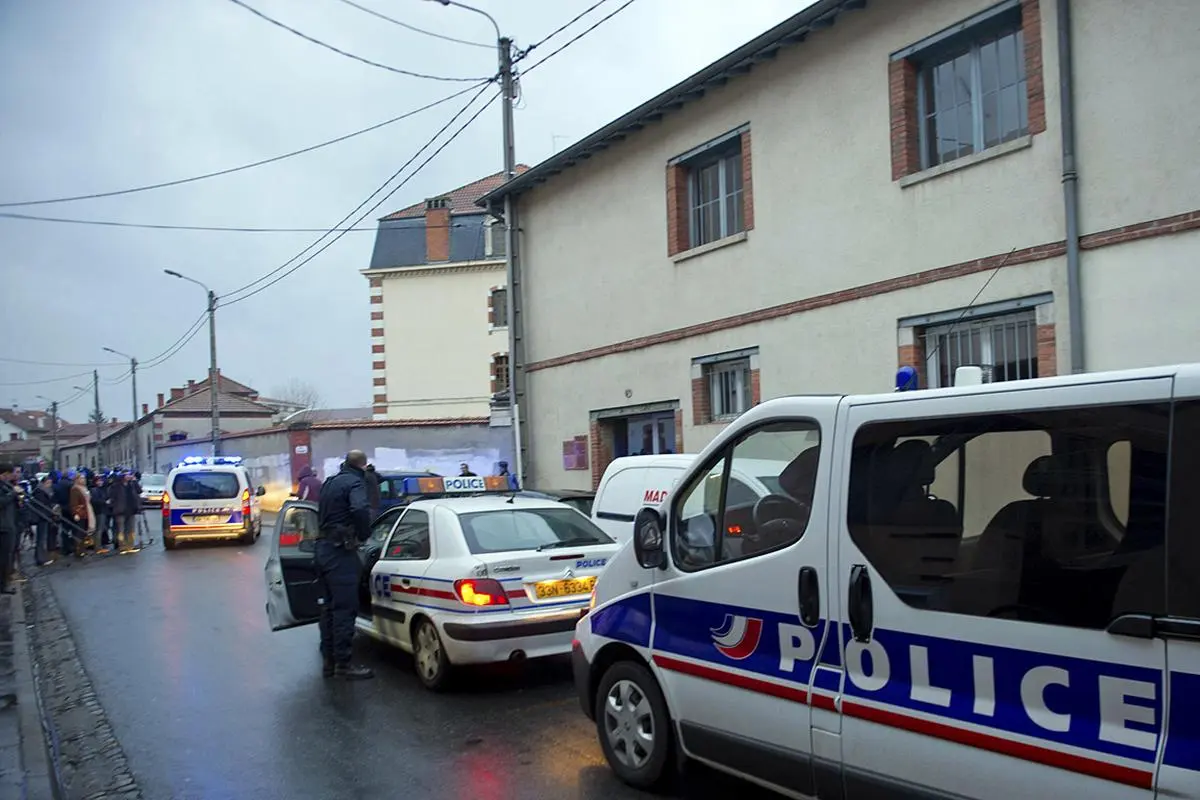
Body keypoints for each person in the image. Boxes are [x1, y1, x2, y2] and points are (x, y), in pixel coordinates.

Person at [315, 450, 374, 680]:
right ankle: (344, 664)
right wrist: (364, 533)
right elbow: (359, 509)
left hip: (322, 549)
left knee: (328, 608)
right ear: (363, 465)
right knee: (344, 609)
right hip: (341, 552)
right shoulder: (355, 483)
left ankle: (329, 662)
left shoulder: (331, 482)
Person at [109, 471, 139, 553]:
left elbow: (139, 491)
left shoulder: (131, 485)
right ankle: (122, 546)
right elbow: (112, 497)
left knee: (131, 529)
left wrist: (135, 481)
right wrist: (114, 507)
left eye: (130, 475)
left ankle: (130, 546)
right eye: (127, 475)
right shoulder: (116, 486)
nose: (129, 476)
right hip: (120, 510)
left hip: (131, 510)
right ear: (123, 476)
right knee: (121, 530)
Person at [0, 464, 19, 594]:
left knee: (7, 556)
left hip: (9, 524)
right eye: (9, 474)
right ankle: (2, 585)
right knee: (3, 558)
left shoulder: (6, 485)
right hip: (3, 527)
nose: (11, 477)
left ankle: (4, 583)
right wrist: (13, 493)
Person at [69, 472, 94, 556]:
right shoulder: (75, 489)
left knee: (84, 532)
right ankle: (79, 550)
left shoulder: (84, 488)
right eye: (81, 478)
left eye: (84, 478)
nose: (83, 480)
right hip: (81, 512)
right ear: (77, 480)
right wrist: (76, 513)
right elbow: (74, 503)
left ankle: (83, 548)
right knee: (79, 532)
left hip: (87, 511)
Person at [34, 476, 55, 566]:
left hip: (45, 516)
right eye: (48, 483)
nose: (49, 485)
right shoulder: (40, 491)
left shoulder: (44, 491)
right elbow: (42, 505)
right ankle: (40, 558)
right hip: (42, 517)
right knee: (41, 538)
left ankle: (41, 556)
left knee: (42, 538)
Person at [91, 473, 110, 554]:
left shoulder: (101, 489)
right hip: (99, 511)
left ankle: (98, 545)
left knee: (101, 529)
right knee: (99, 529)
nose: (100, 482)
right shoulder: (95, 490)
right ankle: (97, 547)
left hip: (102, 511)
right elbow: (95, 501)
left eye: (101, 481)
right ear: (95, 482)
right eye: (98, 481)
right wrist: (105, 502)